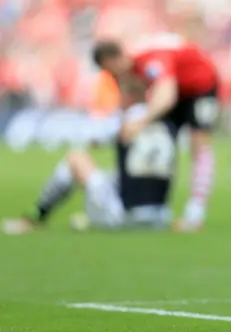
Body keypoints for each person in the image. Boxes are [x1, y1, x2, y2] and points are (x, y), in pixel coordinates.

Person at [2, 78, 178, 234]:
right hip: (161, 217)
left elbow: (92, 138)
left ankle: (35, 217)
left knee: (76, 158)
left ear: (129, 97)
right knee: (116, 174)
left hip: (129, 216)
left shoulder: (126, 120)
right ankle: (93, 214)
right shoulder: (166, 124)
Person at [92, 34, 218, 232]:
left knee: (199, 145)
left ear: (112, 60)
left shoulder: (150, 61)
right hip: (180, 92)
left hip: (201, 87)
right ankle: (156, 205)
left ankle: (196, 212)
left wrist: (140, 123)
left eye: (109, 70)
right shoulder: (131, 72)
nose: (112, 77)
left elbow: (167, 95)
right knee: (162, 143)